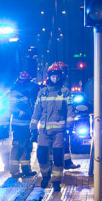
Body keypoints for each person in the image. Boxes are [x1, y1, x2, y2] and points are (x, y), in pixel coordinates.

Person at [30, 63, 73, 192]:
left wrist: (69, 127)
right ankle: (45, 175)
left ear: (61, 77)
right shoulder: (42, 93)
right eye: (53, 76)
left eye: (57, 76)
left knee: (58, 157)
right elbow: (36, 111)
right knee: (41, 154)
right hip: (44, 131)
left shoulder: (65, 92)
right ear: (49, 77)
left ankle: (56, 182)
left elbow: (70, 110)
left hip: (59, 131)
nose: (55, 79)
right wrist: (32, 127)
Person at [9, 72, 37, 178]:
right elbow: (12, 108)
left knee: (27, 147)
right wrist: (23, 114)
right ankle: (14, 171)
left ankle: (26, 169)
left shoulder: (28, 92)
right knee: (18, 147)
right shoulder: (15, 93)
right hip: (19, 125)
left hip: (27, 125)